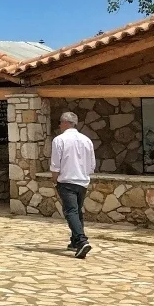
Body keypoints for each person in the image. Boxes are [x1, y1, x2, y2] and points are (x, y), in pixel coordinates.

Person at [49, 111, 95, 259]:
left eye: (60, 123)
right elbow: (91, 165)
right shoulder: (87, 140)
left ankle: (82, 241)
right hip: (82, 181)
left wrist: (54, 180)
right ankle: (75, 241)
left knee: (70, 212)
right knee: (77, 211)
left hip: (67, 180)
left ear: (65, 123)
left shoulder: (59, 140)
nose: (60, 125)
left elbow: (56, 164)